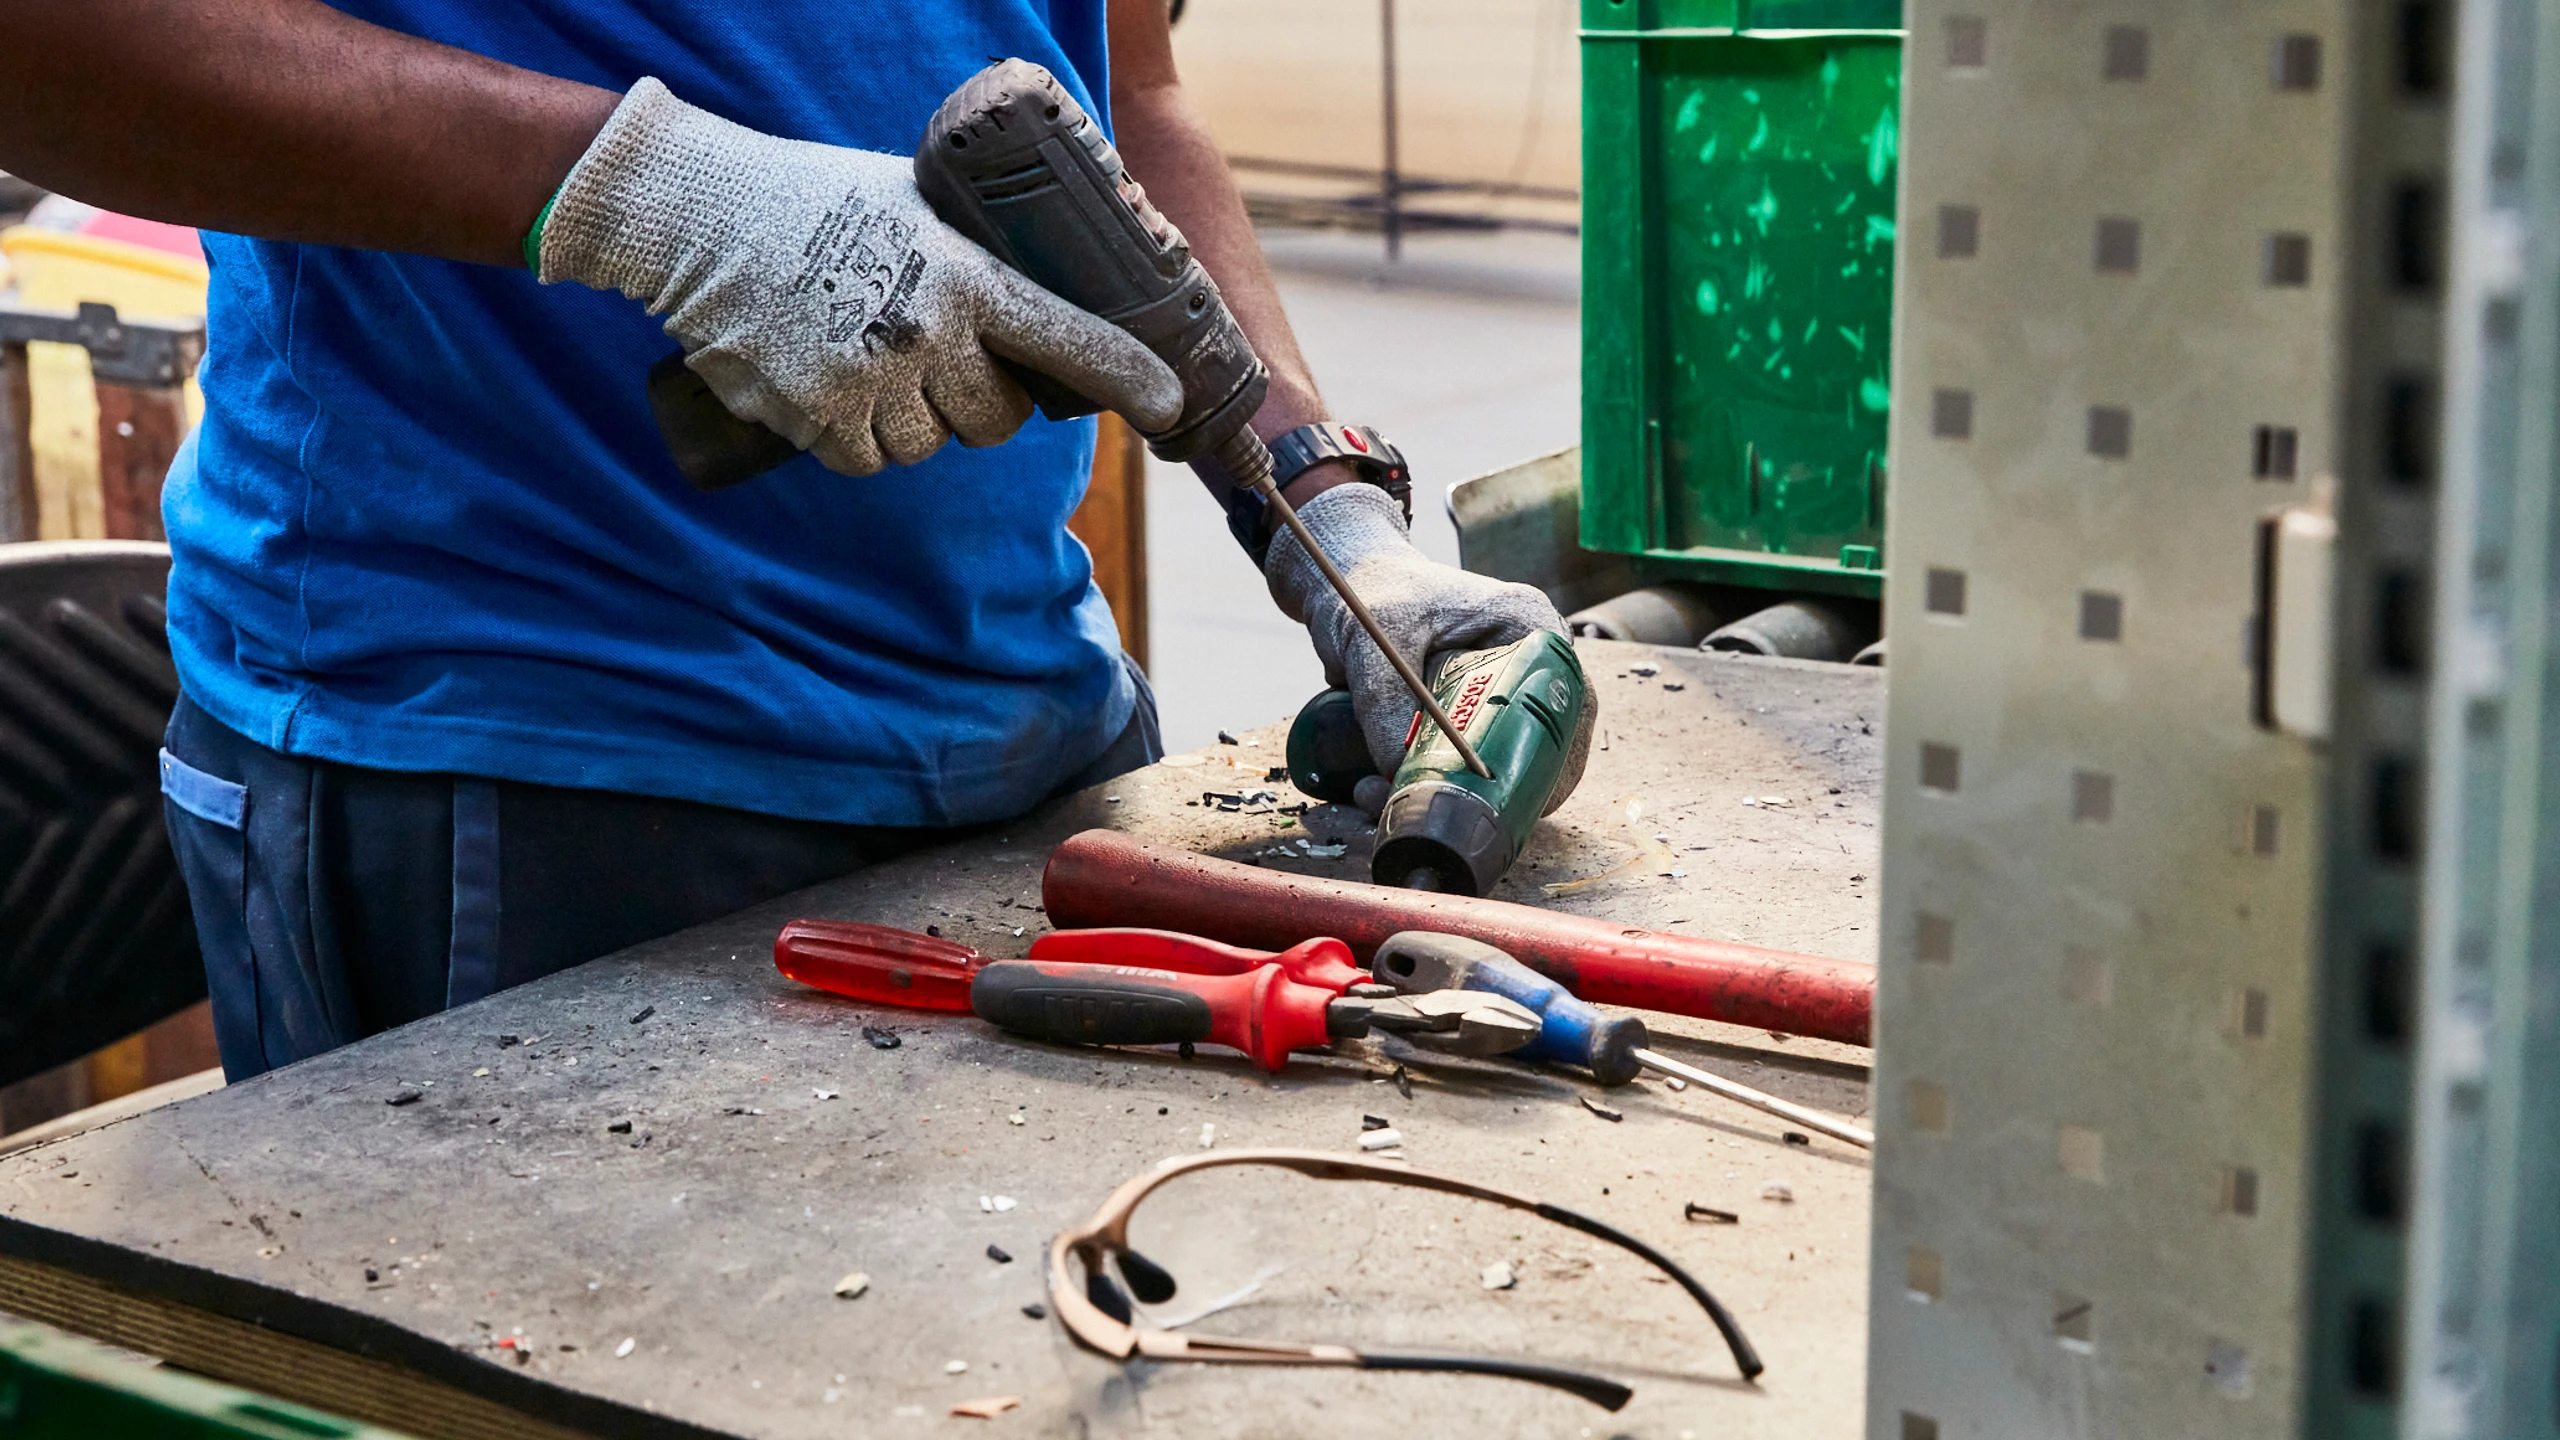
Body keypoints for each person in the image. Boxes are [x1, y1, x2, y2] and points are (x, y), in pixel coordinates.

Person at [0, 0, 1571, 1081]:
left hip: (1026, 728)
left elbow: (1123, 88)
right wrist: (652, 200)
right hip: (525, 748)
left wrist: (1315, 499)